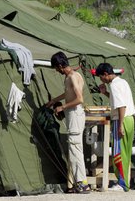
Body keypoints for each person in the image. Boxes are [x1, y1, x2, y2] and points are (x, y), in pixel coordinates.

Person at [46, 51, 90, 194]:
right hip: (73, 115)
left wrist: (62, 107)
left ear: (60, 65)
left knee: (76, 149)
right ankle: (74, 183)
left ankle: (83, 183)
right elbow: (68, 93)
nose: (56, 71)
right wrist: (54, 100)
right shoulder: (72, 77)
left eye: (56, 68)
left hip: (75, 114)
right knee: (73, 149)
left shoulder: (72, 77)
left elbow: (79, 99)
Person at [94, 63, 135, 192]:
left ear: (106, 74)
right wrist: (105, 93)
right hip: (130, 119)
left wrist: (120, 125)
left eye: (101, 77)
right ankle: (125, 182)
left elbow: (121, 106)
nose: (101, 80)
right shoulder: (122, 82)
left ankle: (122, 183)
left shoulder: (114, 85)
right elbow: (119, 101)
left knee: (118, 153)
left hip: (121, 119)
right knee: (126, 153)